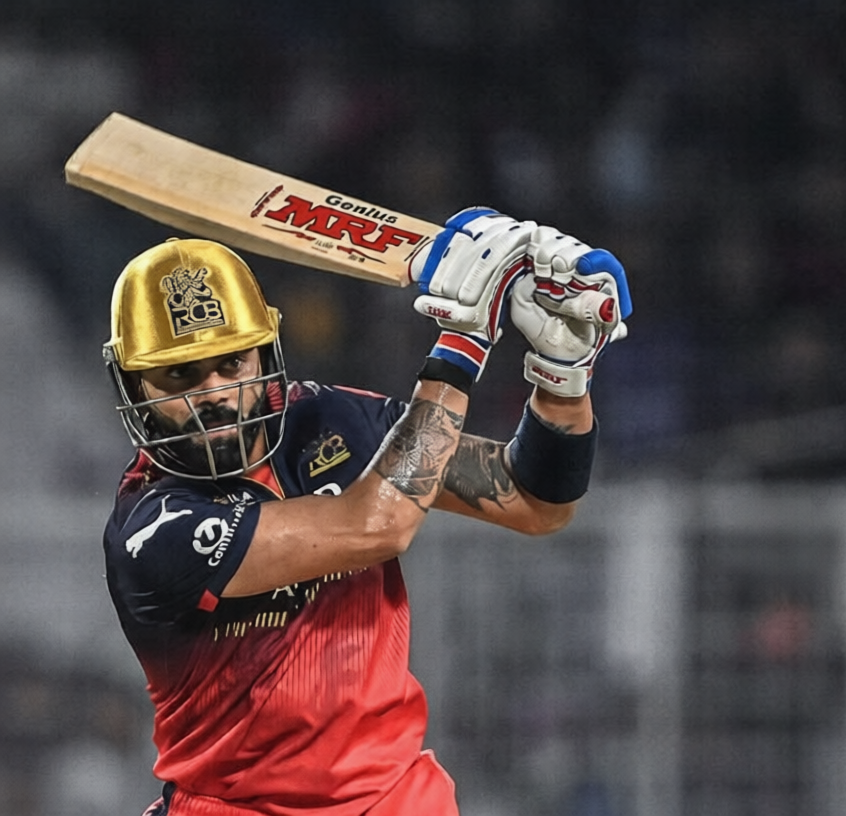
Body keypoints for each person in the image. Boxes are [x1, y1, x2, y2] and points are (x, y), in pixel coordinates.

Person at [99, 207, 631, 816]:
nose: (214, 396)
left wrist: (562, 378)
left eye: (231, 364)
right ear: (135, 386)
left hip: (397, 800)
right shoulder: (151, 529)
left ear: (265, 352)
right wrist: (463, 338)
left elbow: (536, 501)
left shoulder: (330, 420)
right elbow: (378, 523)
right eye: (179, 377)